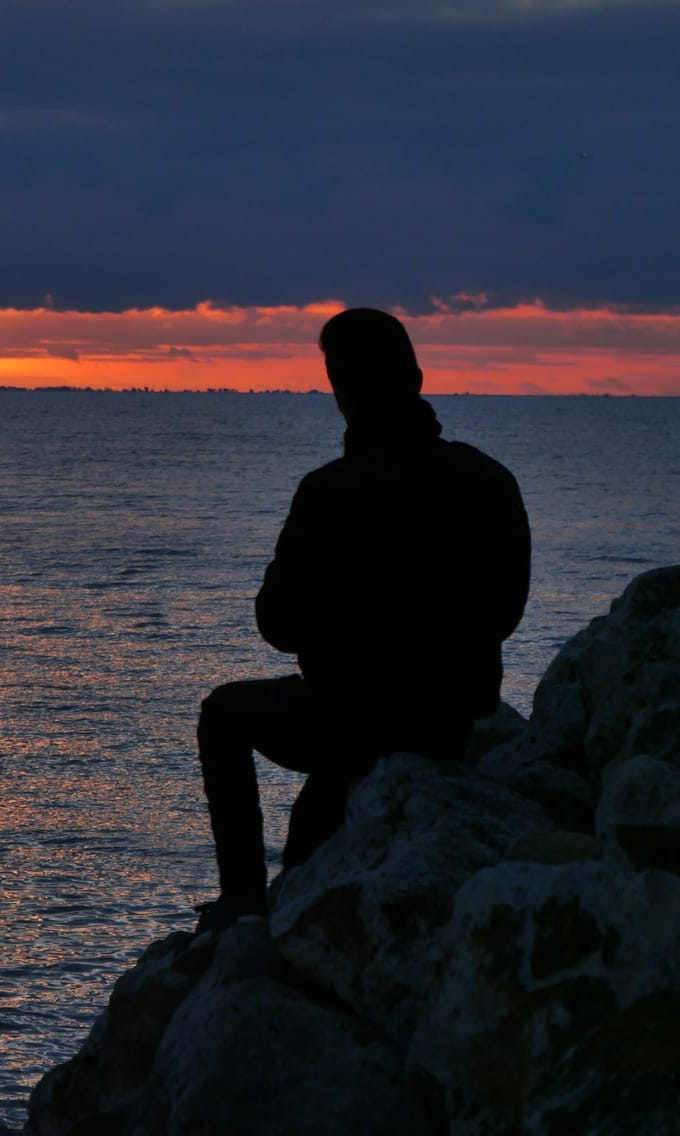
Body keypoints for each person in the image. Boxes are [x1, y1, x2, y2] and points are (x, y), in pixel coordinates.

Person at [195, 307, 530, 935]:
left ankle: (241, 899)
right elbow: (506, 613)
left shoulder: (330, 492)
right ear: (418, 377)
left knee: (224, 715)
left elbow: (277, 624)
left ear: (342, 395)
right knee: (317, 819)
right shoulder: (489, 481)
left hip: (351, 720)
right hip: (455, 720)